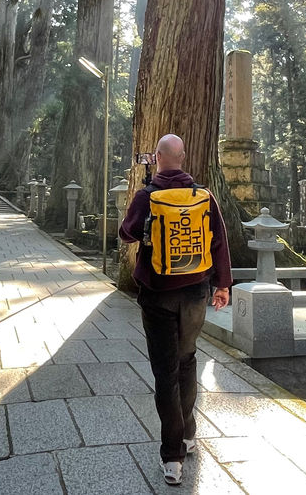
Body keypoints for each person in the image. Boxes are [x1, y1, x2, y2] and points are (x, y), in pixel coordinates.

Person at [119, 133, 232, 486]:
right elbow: (219, 241)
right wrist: (223, 284)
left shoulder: (147, 196)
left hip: (158, 293)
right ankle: (188, 433)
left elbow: (126, 233)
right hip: (196, 292)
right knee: (187, 360)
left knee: (165, 373)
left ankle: (172, 457)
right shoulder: (203, 196)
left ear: (156, 157)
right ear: (183, 157)